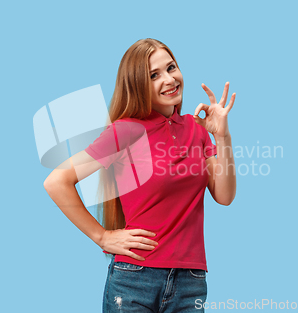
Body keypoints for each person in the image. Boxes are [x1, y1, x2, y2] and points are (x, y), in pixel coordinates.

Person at [43, 38, 236, 312]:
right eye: (154, 75)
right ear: (137, 85)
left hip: (190, 280)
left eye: (171, 68)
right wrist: (102, 236)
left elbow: (225, 196)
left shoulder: (198, 129)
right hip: (134, 278)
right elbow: (56, 181)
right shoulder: (126, 131)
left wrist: (223, 136)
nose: (169, 79)